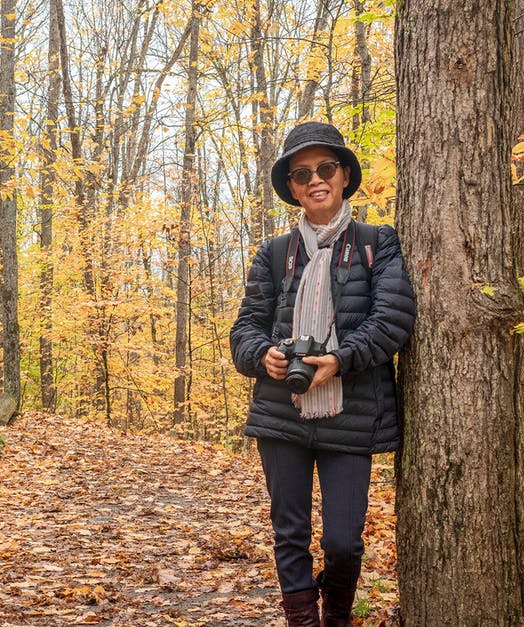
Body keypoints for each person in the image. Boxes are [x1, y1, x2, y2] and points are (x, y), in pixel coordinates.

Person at [229, 122, 415, 627]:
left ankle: (336, 614)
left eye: (325, 168)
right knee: (289, 531)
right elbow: (245, 328)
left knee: (343, 540)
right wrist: (262, 354)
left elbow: (392, 318)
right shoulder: (272, 254)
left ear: (345, 174)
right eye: (302, 173)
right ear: (291, 187)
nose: (315, 180)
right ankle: (303, 622)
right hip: (281, 412)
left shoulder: (379, 243)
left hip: (350, 412)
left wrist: (339, 358)